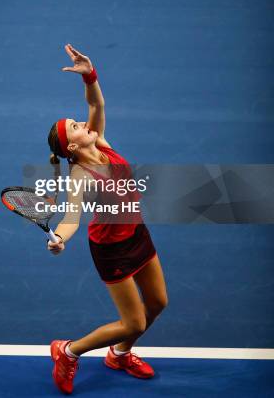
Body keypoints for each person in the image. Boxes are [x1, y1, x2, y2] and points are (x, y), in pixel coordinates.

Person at [47, 44, 168, 394]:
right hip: (111, 249)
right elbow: (72, 217)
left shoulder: (99, 141)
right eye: (75, 126)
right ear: (71, 146)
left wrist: (89, 74)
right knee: (134, 321)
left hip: (136, 234)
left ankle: (118, 354)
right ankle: (68, 351)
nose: (82, 123)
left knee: (158, 304)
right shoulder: (81, 175)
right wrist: (60, 238)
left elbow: (96, 104)